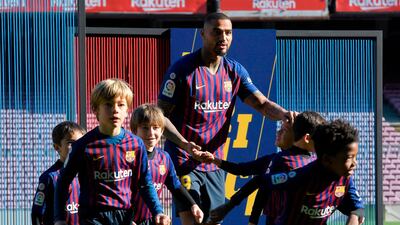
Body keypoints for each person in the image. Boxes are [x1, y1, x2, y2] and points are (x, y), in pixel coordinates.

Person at [157, 12, 293, 225]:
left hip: (214, 163)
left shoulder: (234, 71)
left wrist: (284, 114)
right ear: (203, 34)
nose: (223, 38)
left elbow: (262, 104)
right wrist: (184, 144)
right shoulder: (182, 70)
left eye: (228, 33)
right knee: (193, 218)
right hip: (183, 160)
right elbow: (160, 117)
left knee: (213, 221)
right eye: (217, 32)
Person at [54, 79, 170, 225]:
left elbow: (145, 183)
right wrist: (59, 218)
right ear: (96, 109)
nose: (115, 110)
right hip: (94, 217)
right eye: (108, 104)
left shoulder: (136, 144)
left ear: (127, 110)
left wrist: (158, 211)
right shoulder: (83, 146)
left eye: (121, 105)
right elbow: (63, 182)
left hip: (125, 217)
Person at [212, 119, 365, 225]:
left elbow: (357, 208)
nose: (354, 164)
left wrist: (354, 218)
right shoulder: (301, 176)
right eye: (349, 158)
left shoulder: (345, 180)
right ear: (327, 159)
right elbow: (262, 181)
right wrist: (228, 207)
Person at [130, 103, 204, 225]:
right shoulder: (126, 158)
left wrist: (193, 205)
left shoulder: (164, 158)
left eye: (155, 127)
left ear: (162, 130)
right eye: (145, 128)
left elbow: (175, 186)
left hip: (152, 220)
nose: (151, 133)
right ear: (134, 130)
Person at [32, 121, 85, 225]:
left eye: (80, 143)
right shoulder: (49, 177)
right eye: (71, 143)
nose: (77, 147)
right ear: (57, 147)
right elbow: (36, 214)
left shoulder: (86, 173)